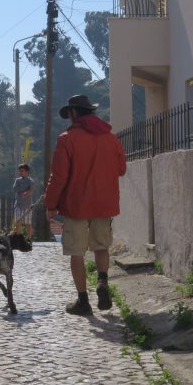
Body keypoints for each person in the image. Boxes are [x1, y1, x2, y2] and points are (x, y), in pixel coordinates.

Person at [44, 95, 126, 316]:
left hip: (77, 204)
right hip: (104, 203)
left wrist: (50, 203)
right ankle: (102, 281)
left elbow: (58, 177)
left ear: (73, 113)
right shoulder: (110, 138)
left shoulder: (66, 139)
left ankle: (83, 301)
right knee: (101, 246)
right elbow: (121, 169)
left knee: (76, 252)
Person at [11, 163, 34, 241]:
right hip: (18, 205)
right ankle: (18, 239)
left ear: (27, 172)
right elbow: (14, 189)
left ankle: (29, 239)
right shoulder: (17, 180)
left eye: (22, 171)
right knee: (18, 222)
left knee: (28, 223)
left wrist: (26, 193)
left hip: (27, 206)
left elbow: (31, 190)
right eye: (19, 171)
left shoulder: (30, 181)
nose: (20, 172)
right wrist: (23, 191)